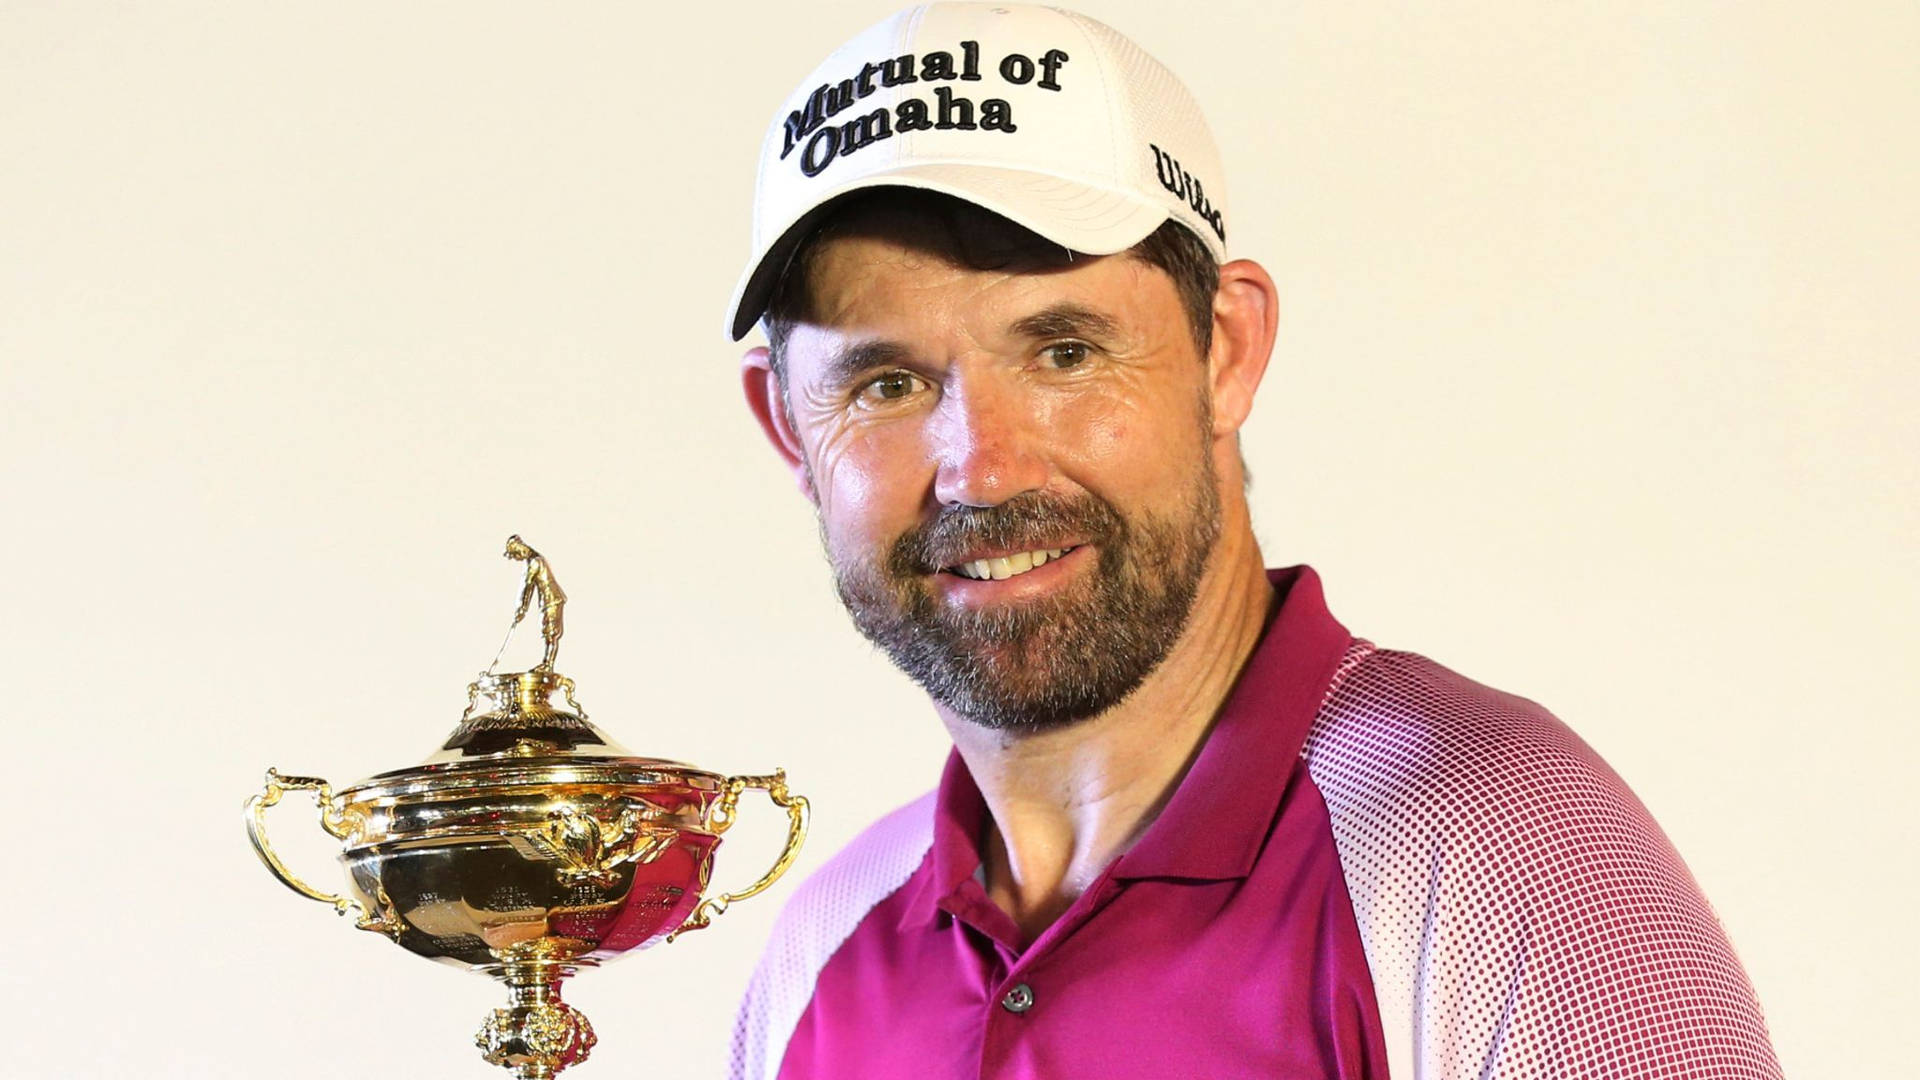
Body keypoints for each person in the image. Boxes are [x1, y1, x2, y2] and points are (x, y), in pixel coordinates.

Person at [722, 5, 1781, 1078]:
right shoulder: (822, 950)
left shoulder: (1492, 848)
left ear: (1226, 350)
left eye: (1066, 353)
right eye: (887, 384)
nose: (982, 468)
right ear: (789, 428)